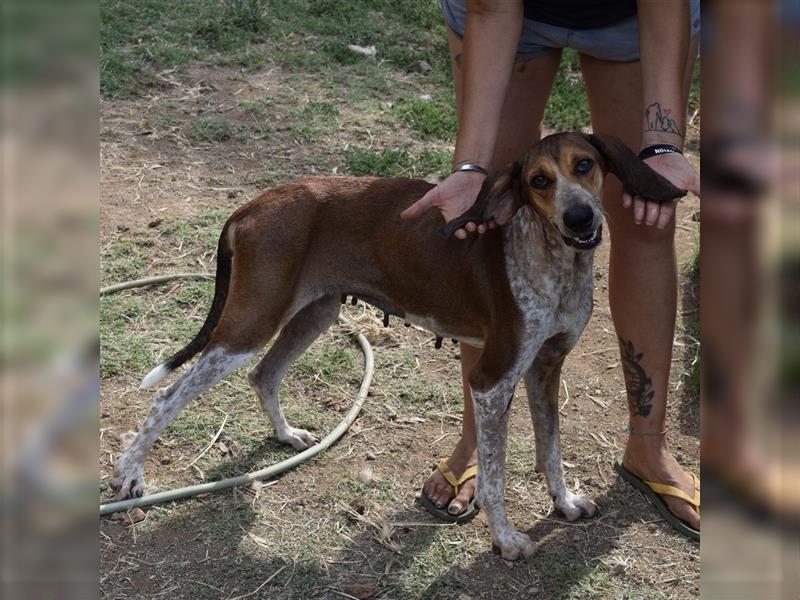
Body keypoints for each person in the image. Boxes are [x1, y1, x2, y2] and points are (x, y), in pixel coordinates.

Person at [401, 0, 702, 539]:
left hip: (634, 18)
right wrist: (471, 168)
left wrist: (662, 143)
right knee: (485, 218)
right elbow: (492, 9)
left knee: (648, 213)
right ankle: (474, 435)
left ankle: (648, 446)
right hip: (507, 16)